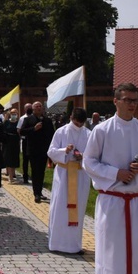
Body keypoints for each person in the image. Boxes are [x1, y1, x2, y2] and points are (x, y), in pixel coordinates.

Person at [83, 82, 138, 274]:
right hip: (113, 200)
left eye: (135, 100)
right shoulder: (102, 130)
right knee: (111, 253)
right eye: (128, 100)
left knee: (136, 252)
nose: (133, 104)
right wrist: (115, 173)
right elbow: (89, 161)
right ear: (116, 101)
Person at [47, 107, 91, 253]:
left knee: (77, 209)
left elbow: (93, 155)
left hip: (80, 175)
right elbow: (51, 151)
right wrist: (64, 151)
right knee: (60, 208)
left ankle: (74, 245)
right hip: (63, 174)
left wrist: (83, 156)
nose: (78, 126)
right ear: (71, 117)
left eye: (81, 123)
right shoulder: (61, 131)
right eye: (76, 122)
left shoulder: (88, 133)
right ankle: (57, 244)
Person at [19, 101, 55, 203]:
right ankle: (36, 193)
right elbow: (21, 131)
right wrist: (33, 129)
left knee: (42, 172)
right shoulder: (28, 119)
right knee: (35, 172)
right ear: (33, 109)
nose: (39, 108)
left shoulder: (47, 121)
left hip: (44, 151)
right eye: (37, 106)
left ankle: (40, 191)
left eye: (40, 106)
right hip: (33, 150)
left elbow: (52, 135)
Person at [2, 108, 21, 182]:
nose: (14, 114)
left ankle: (13, 174)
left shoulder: (19, 122)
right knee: (9, 159)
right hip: (8, 143)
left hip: (16, 142)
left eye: (15, 113)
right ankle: (10, 177)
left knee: (14, 158)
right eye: (12, 113)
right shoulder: (6, 122)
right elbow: (3, 131)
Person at [16, 103, 33, 183]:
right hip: (25, 140)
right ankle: (25, 176)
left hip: (33, 141)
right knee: (25, 160)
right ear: (25, 109)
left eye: (30, 107)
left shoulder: (34, 117)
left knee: (33, 159)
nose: (29, 109)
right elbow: (19, 130)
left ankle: (34, 176)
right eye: (28, 108)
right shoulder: (22, 118)